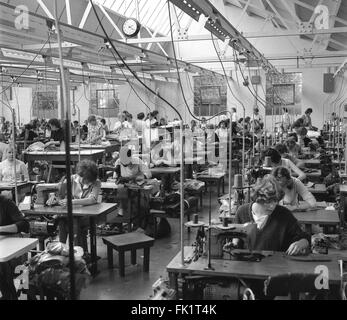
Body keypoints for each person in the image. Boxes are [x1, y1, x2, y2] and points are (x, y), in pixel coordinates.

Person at [234, 175, 310, 254]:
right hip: (247, 263)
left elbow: (304, 238)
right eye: (268, 201)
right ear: (257, 198)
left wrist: (301, 243)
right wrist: (233, 245)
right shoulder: (242, 212)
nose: (272, 206)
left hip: (277, 264)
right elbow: (236, 241)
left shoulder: (284, 214)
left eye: (275, 201)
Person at [53, 160, 101, 252]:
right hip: (73, 214)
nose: (82, 180)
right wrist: (53, 197)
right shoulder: (70, 179)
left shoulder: (96, 182)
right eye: (81, 177)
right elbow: (59, 192)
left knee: (72, 222)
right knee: (62, 220)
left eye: (85, 179)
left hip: (87, 215)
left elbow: (93, 199)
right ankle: (61, 250)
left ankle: (78, 252)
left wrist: (71, 202)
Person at [0, 195, 29, 300]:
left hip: (10, 245)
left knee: (2, 266)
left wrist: (1, 229)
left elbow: (24, 225)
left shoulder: (6, 203)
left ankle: (10, 295)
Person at [113, 146, 152, 216]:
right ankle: (122, 214)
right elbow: (115, 176)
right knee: (120, 192)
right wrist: (118, 179)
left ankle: (133, 217)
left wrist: (133, 178)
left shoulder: (137, 161)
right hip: (124, 187)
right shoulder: (118, 162)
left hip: (136, 186)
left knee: (141, 203)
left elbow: (148, 174)